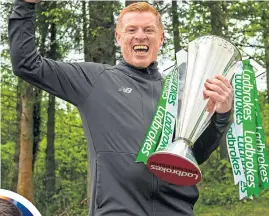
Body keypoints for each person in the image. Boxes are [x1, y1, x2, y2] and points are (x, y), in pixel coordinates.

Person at [9, 0, 233, 215]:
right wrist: (25, 5)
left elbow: (195, 155)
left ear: (161, 37)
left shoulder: (180, 93)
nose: (140, 36)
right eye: (131, 29)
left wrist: (222, 114)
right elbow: (27, 64)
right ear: (118, 36)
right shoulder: (94, 80)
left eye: (148, 29)